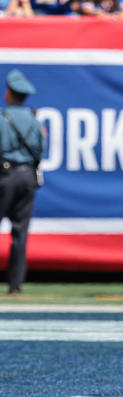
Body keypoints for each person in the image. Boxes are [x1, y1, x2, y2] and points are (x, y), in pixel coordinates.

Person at [0, 69, 45, 295]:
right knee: (20, 233)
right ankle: (15, 285)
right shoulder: (34, 122)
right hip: (27, 177)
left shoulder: (1, 119)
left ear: (9, 93)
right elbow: (40, 150)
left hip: (4, 176)